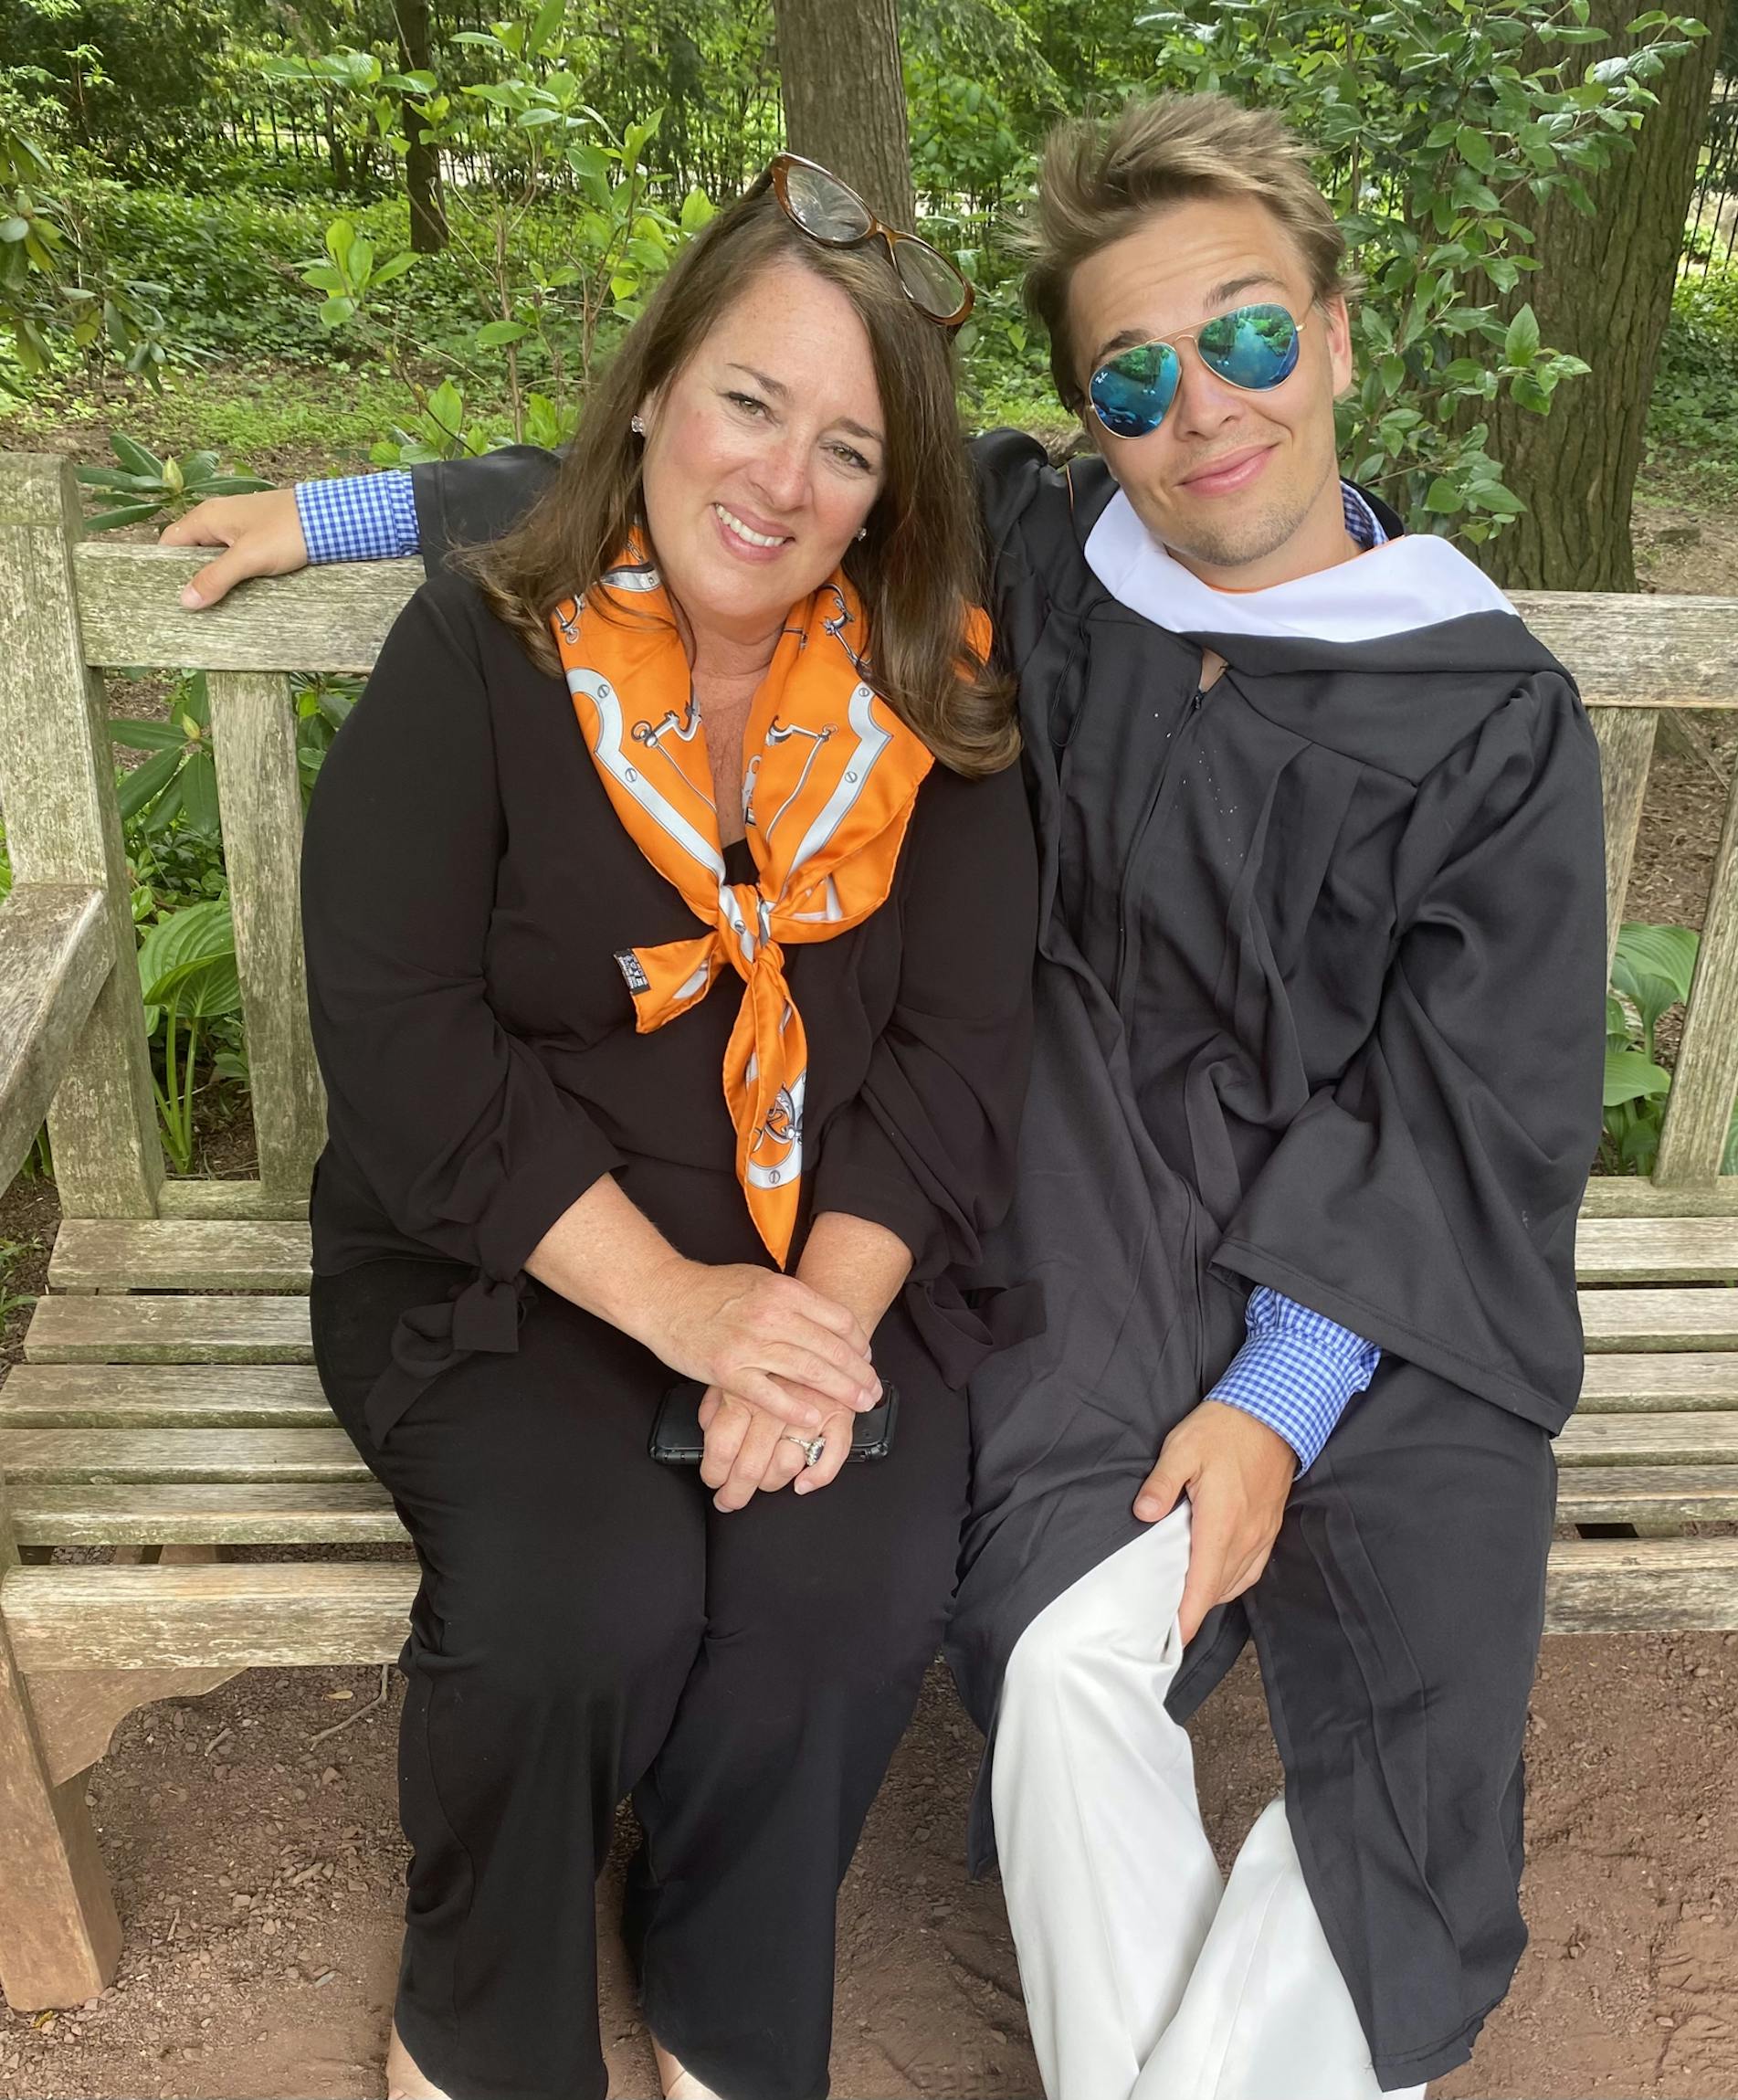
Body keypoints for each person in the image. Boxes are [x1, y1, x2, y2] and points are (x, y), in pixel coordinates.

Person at [171, 93, 1606, 2100]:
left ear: (1339, 335)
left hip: (1377, 1290)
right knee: (1045, 1631)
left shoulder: (1486, 715)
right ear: (1082, 414)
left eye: (1252, 338)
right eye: (1133, 371)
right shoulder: (1043, 560)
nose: (1201, 409)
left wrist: (1280, 1389)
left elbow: (1479, 1098)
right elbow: (696, 472)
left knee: (1405, 1707)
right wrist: (331, 512)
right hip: (1077, 1224)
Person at [258, 155, 1037, 2100]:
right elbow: (406, 1041)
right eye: (750, 404)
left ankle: (723, 1997)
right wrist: (684, 1311)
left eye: (846, 448)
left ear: (892, 491)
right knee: (578, 1599)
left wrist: (820, 1324)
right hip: (510, 1252)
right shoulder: (482, 647)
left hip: (827, 1256)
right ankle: (484, 2015)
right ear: (653, 393)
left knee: (843, 1600)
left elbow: (952, 1051)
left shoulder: (934, 696)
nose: (779, 481)